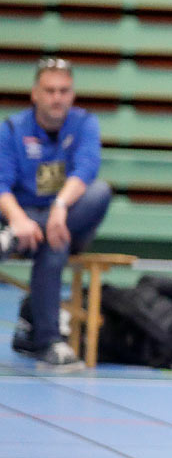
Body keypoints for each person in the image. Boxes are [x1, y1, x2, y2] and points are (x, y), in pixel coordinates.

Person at [0, 57, 113, 368]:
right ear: (35, 93)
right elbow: (1, 184)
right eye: (50, 90)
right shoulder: (11, 129)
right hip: (22, 218)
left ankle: (10, 239)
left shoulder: (85, 124)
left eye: (64, 90)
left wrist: (59, 208)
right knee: (54, 246)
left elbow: (87, 170)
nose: (57, 97)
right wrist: (19, 220)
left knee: (100, 192)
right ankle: (48, 342)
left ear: (72, 94)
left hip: (68, 220)